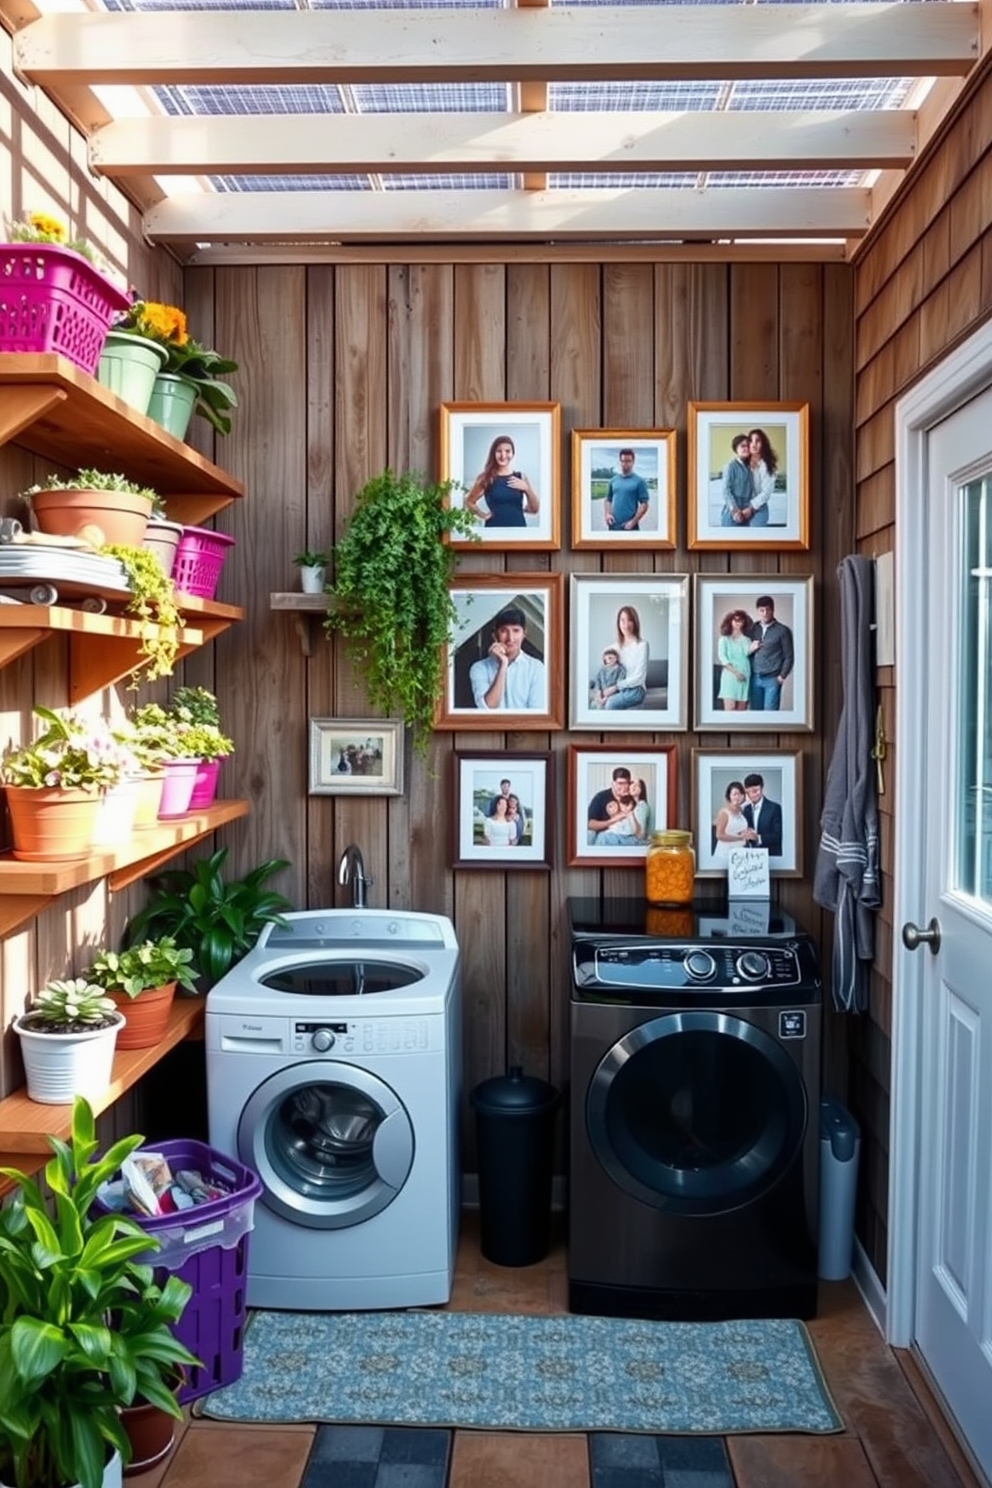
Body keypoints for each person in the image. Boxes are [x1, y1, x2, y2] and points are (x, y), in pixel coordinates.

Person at [469, 606, 546, 711]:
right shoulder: (479, 668)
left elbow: (536, 714)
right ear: (495, 635)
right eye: (504, 631)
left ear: (524, 634)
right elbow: (488, 708)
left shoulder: (536, 668)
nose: (510, 638)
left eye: (516, 630)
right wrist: (503, 665)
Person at [464, 435, 539, 528]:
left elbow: (534, 510)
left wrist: (527, 489)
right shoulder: (486, 478)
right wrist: (482, 515)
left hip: (519, 531)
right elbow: (469, 502)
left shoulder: (521, 477)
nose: (503, 456)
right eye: (499, 451)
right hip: (494, 530)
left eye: (508, 451)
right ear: (493, 453)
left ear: (513, 453)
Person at [747, 595, 794, 711]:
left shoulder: (783, 630)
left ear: (773, 610)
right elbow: (743, 650)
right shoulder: (753, 628)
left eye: (768, 609)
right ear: (757, 611)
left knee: (770, 715)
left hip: (772, 679)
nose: (765, 613)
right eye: (762, 610)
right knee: (755, 714)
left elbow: (789, 656)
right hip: (754, 678)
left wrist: (782, 677)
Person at [603, 605, 649, 711]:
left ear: (635, 622)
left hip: (636, 690)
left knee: (611, 704)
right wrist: (600, 692)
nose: (626, 625)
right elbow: (605, 670)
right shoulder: (614, 647)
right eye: (622, 621)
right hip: (619, 688)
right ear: (618, 624)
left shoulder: (642, 645)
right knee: (597, 703)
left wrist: (615, 687)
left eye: (630, 620)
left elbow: (639, 678)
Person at [604, 448, 649, 531]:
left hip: (630, 527)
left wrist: (633, 522)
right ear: (620, 462)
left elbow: (644, 504)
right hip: (613, 525)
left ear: (633, 462)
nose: (625, 464)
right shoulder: (613, 480)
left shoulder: (639, 481)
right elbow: (608, 499)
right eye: (623, 461)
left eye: (628, 461)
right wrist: (607, 514)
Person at [716, 609, 752, 711]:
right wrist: (736, 673)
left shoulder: (747, 639)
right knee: (730, 708)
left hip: (745, 674)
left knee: (742, 709)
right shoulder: (724, 639)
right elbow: (722, 658)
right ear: (730, 621)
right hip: (731, 675)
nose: (737, 623)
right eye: (735, 620)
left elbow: (747, 653)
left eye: (740, 620)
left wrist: (754, 647)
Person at [742, 773, 783, 857]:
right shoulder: (746, 809)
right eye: (748, 792)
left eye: (755, 791)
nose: (752, 795)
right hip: (751, 856)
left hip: (771, 856)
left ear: (762, 788)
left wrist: (758, 838)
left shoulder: (774, 808)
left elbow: (778, 836)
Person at [587, 766, 633, 841]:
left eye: (627, 783)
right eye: (620, 783)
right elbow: (589, 824)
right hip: (606, 838)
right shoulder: (601, 797)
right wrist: (613, 820)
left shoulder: (632, 797)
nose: (625, 787)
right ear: (613, 784)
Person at [747, 428, 779, 527]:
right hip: (740, 505)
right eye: (751, 441)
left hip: (759, 507)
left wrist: (751, 508)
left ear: (763, 444)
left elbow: (766, 492)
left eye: (757, 441)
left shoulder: (767, 465)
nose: (753, 444)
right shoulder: (742, 462)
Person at [712, 781, 750, 865]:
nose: (738, 797)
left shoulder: (741, 812)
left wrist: (748, 833)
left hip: (739, 853)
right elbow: (719, 835)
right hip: (725, 853)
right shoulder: (724, 813)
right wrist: (739, 838)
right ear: (729, 796)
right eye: (735, 794)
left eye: (740, 794)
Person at [721, 433, 754, 526]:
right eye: (742, 446)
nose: (746, 448)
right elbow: (726, 490)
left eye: (748, 446)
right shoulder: (731, 466)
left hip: (747, 510)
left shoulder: (750, 467)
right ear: (736, 449)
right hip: (733, 509)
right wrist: (734, 510)